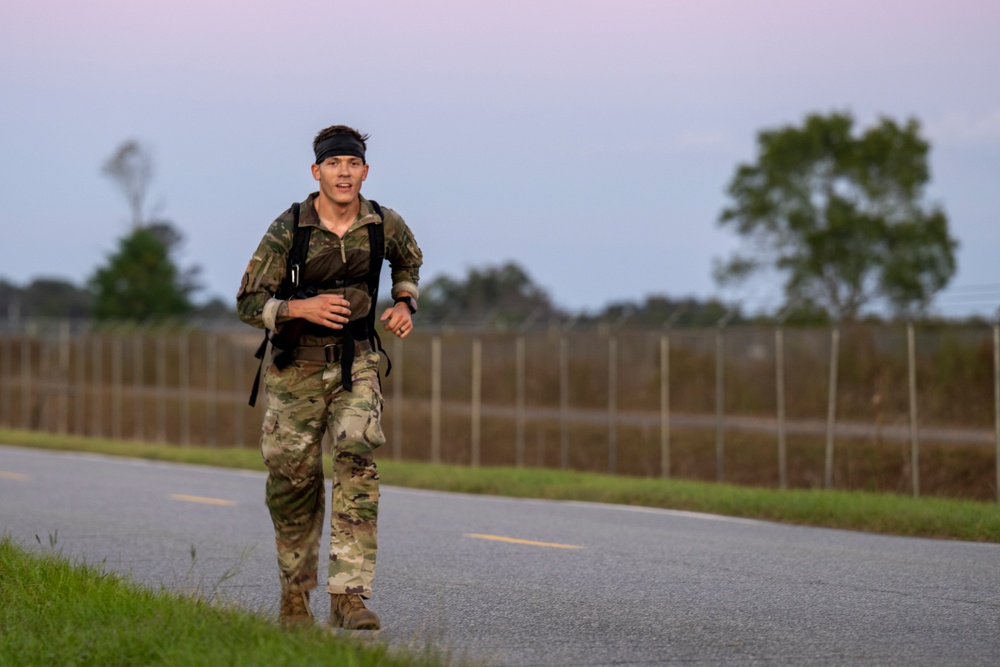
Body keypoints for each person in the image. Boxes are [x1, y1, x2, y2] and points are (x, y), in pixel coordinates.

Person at [237, 125, 423, 630]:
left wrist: (404, 301)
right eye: (334, 164)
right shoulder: (288, 229)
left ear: (365, 171)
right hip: (295, 369)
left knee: (357, 459)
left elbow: (409, 262)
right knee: (293, 480)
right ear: (316, 171)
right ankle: (295, 599)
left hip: (356, 362)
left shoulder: (383, 223)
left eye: (353, 164)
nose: (344, 172)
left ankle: (350, 596)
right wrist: (303, 307)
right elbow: (249, 303)